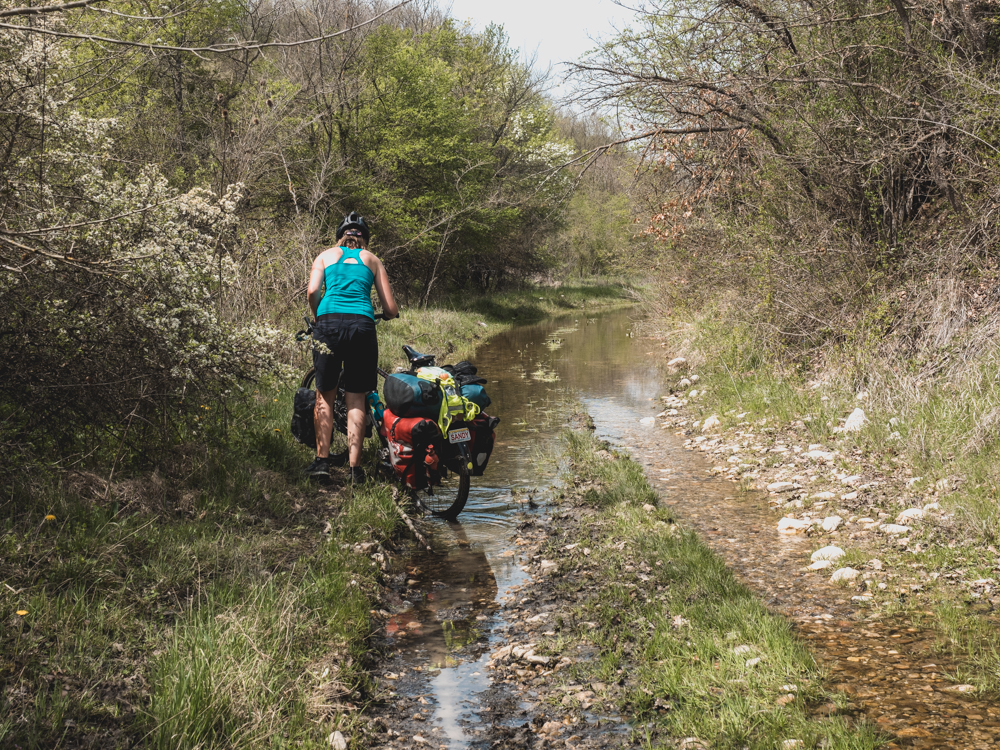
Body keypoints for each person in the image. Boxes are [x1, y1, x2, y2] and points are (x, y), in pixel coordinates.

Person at [305, 212, 398, 482]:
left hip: (328, 323)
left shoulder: (325, 256)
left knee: (325, 396)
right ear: (364, 240)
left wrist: (317, 315)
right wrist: (390, 314)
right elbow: (390, 308)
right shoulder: (372, 260)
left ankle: (322, 464)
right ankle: (355, 470)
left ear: (340, 238)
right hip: (362, 326)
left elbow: (312, 292)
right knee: (357, 397)